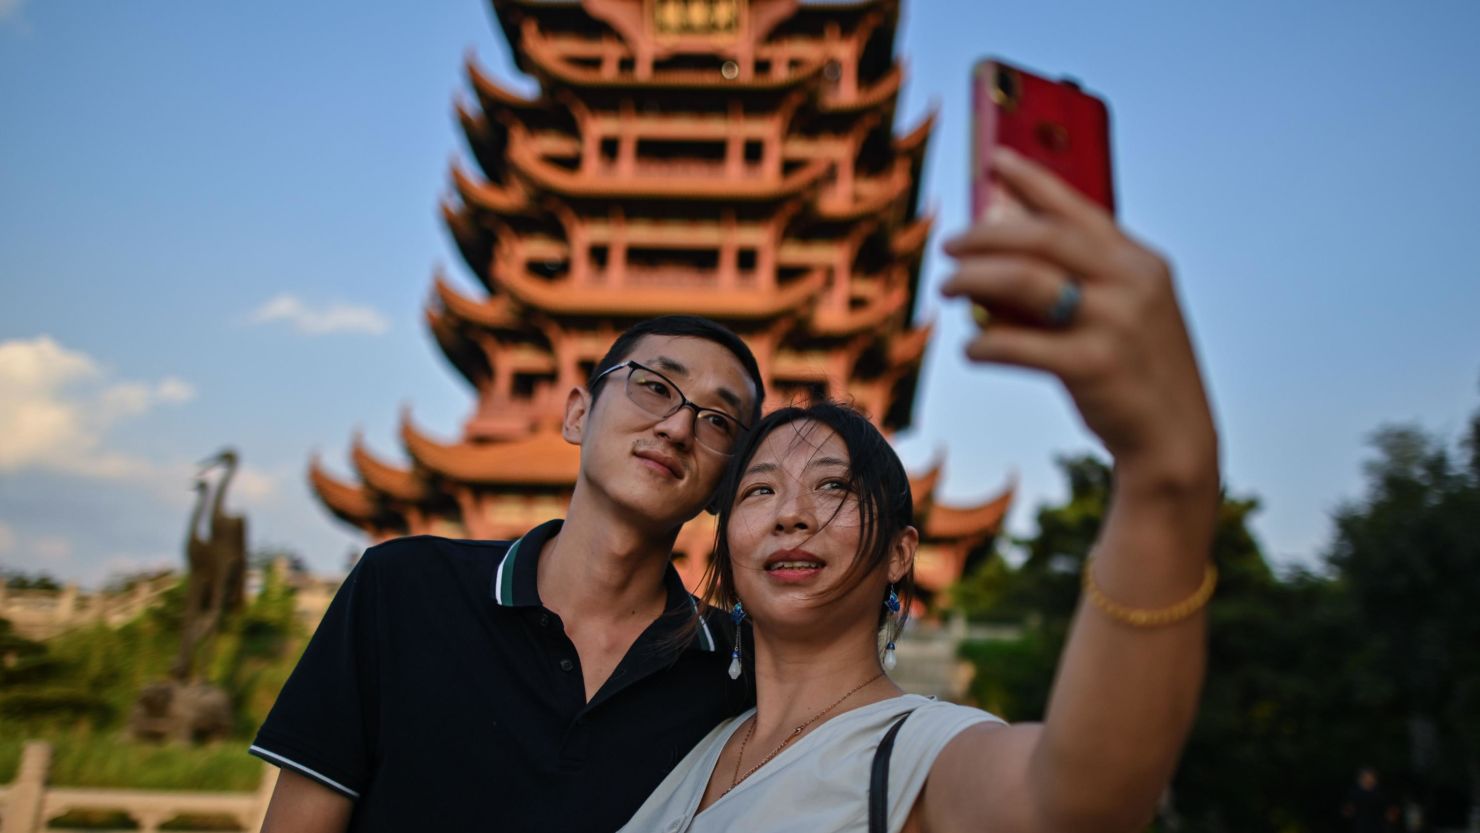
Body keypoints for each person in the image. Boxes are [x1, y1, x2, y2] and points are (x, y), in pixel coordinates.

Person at [620, 146, 1221, 833]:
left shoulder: (922, 751)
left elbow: (1077, 798)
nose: (791, 514)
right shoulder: (682, 752)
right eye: (758, 491)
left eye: (835, 487)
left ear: (902, 551)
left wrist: (1164, 480)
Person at [251, 315, 765, 832]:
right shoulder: (403, 588)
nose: (678, 428)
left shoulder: (736, 670)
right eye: (654, 387)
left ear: (726, 487)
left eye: (718, 420)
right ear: (577, 415)